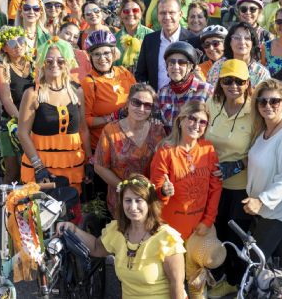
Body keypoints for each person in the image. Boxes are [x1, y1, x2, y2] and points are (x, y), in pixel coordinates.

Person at [57, 175, 187, 299]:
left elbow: (177, 286)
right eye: (128, 201)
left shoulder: (166, 239)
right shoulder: (118, 231)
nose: (133, 207)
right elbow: (96, 247)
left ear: (149, 203)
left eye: (139, 200)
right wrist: (73, 229)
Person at [150, 101, 222, 299]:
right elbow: (154, 196)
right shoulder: (165, 151)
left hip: (198, 230)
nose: (196, 125)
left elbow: (215, 188)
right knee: (173, 283)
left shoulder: (208, 149)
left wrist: (208, 221)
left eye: (202, 122)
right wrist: (164, 191)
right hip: (169, 232)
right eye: (192, 118)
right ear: (180, 120)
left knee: (197, 282)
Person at [243, 79, 282, 270]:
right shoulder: (264, 131)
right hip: (265, 210)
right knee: (278, 260)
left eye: (274, 101)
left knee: (254, 258)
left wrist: (261, 201)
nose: (268, 106)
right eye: (262, 101)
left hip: (277, 211)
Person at [205, 59, 254, 297]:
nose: (233, 85)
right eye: (227, 81)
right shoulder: (212, 104)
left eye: (239, 81)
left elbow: (262, 149)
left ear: (248, 83)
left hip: (241, 186)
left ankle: (235, 281)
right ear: (219, 83)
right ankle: (219, 276)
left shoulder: (255, 110)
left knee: (236, 238)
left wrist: (236, 165)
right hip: (211, 184)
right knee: (216, 233)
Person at [17, 38, 90, 198]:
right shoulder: (33, 93)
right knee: (40, 217)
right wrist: (38, 167)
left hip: (72, 165)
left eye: (60, 60)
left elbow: (83, 129)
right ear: (42, 63)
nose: (54, 64)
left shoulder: (77, 91)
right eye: (48, 61)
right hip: (41, 167)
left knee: (69, 216)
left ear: (68, 63)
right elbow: (22, 133)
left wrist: (89, 160)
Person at [95, 83, 165, 214]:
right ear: (127, 103)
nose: (141, 108)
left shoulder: (158, 130)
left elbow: (163, 164)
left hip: (148, 199)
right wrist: (124, 189)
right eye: (136, 102)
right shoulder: (111, 130)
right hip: (121, 200)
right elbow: (99, 166)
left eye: (147, 105)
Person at [81, 30, 136, 154]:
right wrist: (112, 117)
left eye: (106, 53)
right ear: (90, 57)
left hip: (129, 142)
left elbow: (138, 99)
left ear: (113, 53)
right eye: (96, 54)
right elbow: (85, 121)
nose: (102, 58)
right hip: (103, 147)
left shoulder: (124, 72)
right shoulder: (89, 83)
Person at [0, 27, 33, 184]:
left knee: (29, 169)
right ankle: (8, 207)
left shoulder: (33, 63)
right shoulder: (1, 67)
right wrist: (22, 123)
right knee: (12, 172)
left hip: (33, 121)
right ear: (4, 47)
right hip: (11, 123)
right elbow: (6, 99)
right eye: (12, 42)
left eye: (21, 40)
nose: (18, 45)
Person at [135, 0, 193, 92]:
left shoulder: (192, 40)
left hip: (186, 101)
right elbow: (141, 74)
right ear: (157, 16)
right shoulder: (149, 40)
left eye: (171, 12)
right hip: (157, 101)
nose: (167, 17)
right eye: (162, 13)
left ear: (180, 14)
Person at [157, 41, 213, 133]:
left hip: (197, 145)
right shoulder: (162, 93)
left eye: (182, 63)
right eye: (171, 63)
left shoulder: (206, 90)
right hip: (169, 146)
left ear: (191, 67)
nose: (176, 67)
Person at [207, 22, 270, 87]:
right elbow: (211, 94)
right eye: (237, 38)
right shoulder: (218, 67)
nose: (242, 42)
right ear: (229, 42)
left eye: (247, 38)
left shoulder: (260, 72)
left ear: (252, 43)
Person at [115, 0, 153, 70]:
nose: (131, 14)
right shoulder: (114, 39)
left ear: (141, 14)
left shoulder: (151, 36)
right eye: (126, 11)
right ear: (120, 14)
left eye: (135, 10)